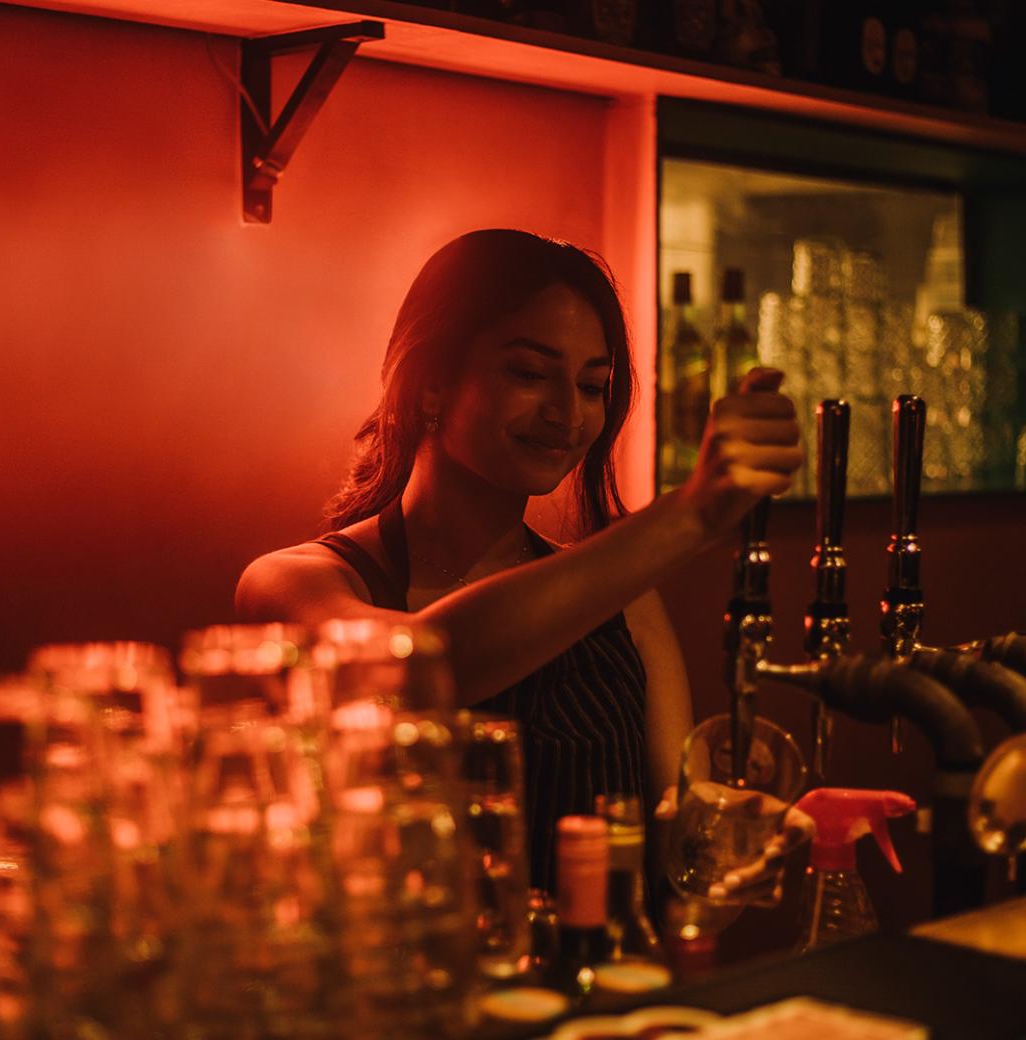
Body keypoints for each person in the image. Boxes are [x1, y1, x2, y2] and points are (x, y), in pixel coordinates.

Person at [236, 228, 810, 898]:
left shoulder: (624, 603)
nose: (568, 414)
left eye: (592, 385)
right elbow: (418, 669)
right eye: (530, 373)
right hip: (405, 993)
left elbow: (676, 841)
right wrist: (691, 514)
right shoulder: (292, 583)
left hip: (599, 990)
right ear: (429, 388)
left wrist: (726, 843)